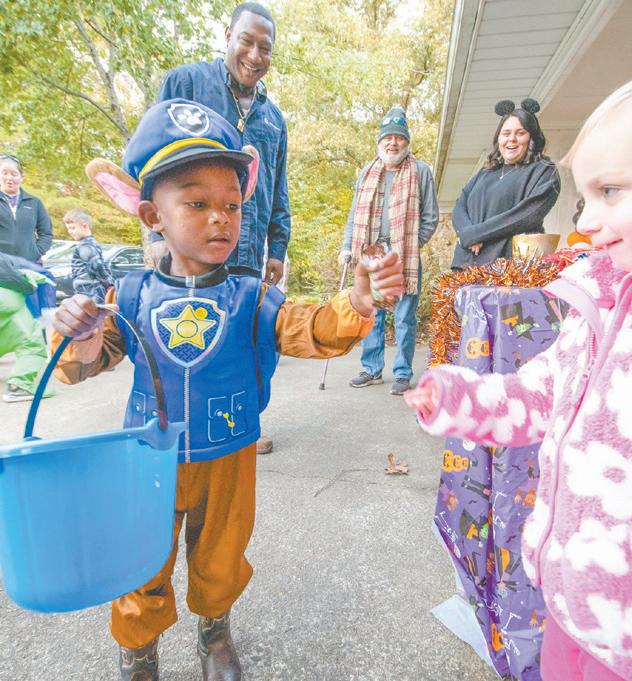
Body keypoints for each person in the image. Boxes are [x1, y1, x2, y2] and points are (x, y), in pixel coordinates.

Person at [51, 99, 403, 681]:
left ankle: (214, 628)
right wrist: (81, 333)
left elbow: (311, 327)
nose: (220, 218)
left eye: (232, 205)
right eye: (197, 203)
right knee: (140, 556)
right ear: (152, 215)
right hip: (147, 456)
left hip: (228, 453)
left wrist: (358, 303)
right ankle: (138, 645)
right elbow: (85, 362)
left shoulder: (251, 297)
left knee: (222, 552)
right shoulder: (129, 295)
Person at [405, 50, 632, 681]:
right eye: (586, 196)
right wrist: (461, 398)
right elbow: (540, 392)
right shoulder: (599, 301)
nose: (588, 220)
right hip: (570, 610)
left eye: (610, 191)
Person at [155, 1, 289, 455]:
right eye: (247, 42)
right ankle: (182, 426)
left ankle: (244, 421)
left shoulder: (273, 118)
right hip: (190, 248)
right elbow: (154, 165)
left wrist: (278, 246)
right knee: (189, 339)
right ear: (228, 36)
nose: (254, 55)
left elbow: (278, 184)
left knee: (250, 344)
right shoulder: (186, 84)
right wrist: (156, 237)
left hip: (248, 248)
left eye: (265, 48)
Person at [339, 106, 439, 396]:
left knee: (405, 316)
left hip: (403, 254)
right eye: (388, 137)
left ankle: (403, 373)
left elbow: (430, 217)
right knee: (373, 313)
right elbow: (354, 214)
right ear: (380, 141)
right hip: (371, 252)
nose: (393, 142)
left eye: (399, 137)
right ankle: (371, 369)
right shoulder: (367, 173)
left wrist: (409, 246)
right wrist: (347, 246)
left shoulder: (420, 171)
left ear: (406, 141)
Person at [450, 99, 560, 269]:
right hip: (466, 266)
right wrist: (466, 233)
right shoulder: (486, 172)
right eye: (506, 133)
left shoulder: (544, 171)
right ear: (498, 138)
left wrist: (477, 234)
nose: (512, 139)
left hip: (507, 269)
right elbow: (460, 205)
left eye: (520, 133)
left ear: (532, 137)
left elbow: (526, 215)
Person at [0, 253, 55, 402]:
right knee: (31, 344)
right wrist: (29, 285)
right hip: (7, 299)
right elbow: (36, 273)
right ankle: (19, 386)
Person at [0, 154, 53, 263]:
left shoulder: (34, 202)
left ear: (21, 177)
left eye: (14, 174)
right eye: (4, 173)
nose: (9, 178)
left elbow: (46, 232)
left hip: (28, 265)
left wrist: (36, 252)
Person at [63, 208, 113, 302]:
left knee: (93, 311)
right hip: (89, 289)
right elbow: (98, 266)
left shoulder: (86, 246)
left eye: (72, 228)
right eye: (68, 228)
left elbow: (96, 266)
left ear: (85, 226)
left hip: (90, 290)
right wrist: (109, 282)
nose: (69, 231)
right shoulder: (89, 244)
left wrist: (109, 284)